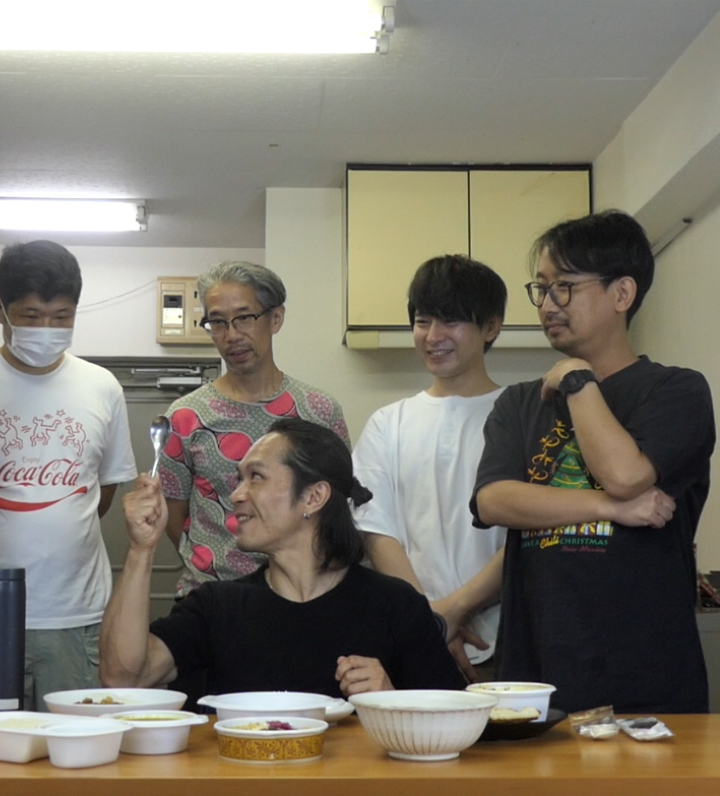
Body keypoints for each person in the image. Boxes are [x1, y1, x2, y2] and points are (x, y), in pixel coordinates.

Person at [472, 211, 715, 714]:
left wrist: (577, 379)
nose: (548, 305)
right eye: (541, 289)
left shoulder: (677, 390)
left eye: (564, 287)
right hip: (535, 678)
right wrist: (611, 509)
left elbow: (625, 475)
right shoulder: (519, 402)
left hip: (647, 680)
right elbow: (494, 500)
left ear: (622, 293)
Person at [101, 418, 464, 696]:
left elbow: (455, 722)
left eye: (256, 477)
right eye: (239, 479)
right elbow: (123, 678)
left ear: (313, 497)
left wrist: (391, 699)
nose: (237, 495)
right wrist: (141, 549)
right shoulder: (217, 607)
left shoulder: (395, 606)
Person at [0, 240, 137, 711]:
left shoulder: (102, 387)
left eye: (61, 316)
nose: (47, 329)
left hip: (78, 616)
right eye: (31, 316)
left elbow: (103, 491)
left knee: (77, 744)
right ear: (0, 311)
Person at [353, 255, 509, 683]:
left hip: (505, 641)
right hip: (413, 641)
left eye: (451, 321)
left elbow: (531, 535)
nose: (433, 336)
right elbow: (376, 531)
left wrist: (455, 611)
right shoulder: (388, 423)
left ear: (491, 326)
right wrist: (430, 621)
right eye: (423, 321)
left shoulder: (520, 415)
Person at [158, 261, 349, 597]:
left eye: (244, 317)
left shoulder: (318, 411)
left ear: (275, 319)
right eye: (218, 322)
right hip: (212, 595)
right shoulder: (185, 417)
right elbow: (174, 515)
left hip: (305, 594)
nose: (232, 335)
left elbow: (337, 505)